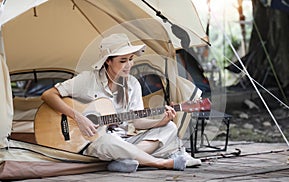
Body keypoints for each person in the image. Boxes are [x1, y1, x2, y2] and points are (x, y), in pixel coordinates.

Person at [41, 33, 200, 172]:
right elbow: (49, 95)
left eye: (131, 59)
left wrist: (161, 121)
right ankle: (160, 162)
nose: (129, 65)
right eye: (123, 60)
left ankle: (125, 160)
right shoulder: (88, 80)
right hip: (95, 143)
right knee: (108, 140)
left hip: (124, 140)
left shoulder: (132, 84)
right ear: (108, 61)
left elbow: (136, 122)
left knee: (169, 128)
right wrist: (78, 117)